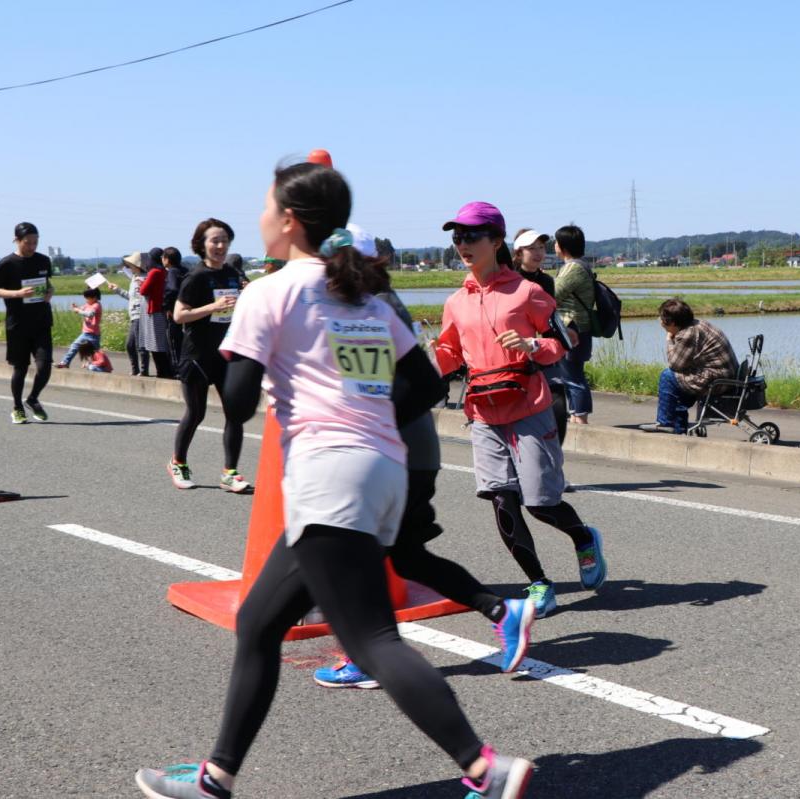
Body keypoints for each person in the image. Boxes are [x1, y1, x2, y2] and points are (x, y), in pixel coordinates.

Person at [134, 162, 533, 799]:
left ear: (289, 221)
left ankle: (488, 767)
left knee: (373, 638)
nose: (259, 218)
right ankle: (215, 779)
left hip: (330, 477)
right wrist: (362, 417)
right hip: (378, 472)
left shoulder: (270, 292)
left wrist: (251, 357)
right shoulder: (361, 294)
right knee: (259, 625)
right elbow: (426, 386)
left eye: (266, 207)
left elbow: (235, 405)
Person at [312, 223, 535, 690]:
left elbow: (387, 389)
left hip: (393, 453)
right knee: (404, 556)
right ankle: (501, 610)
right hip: (405, 449)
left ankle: (371, 656)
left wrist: (369, 429)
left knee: (357, 554)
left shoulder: (365, 310)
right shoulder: (376, 302)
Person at [435, 201, 607, 618]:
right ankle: (539, 584)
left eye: (471, 236)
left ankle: (583, 537)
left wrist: (533, 346)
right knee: (500, 498)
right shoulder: (456, 301)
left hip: (529, 407)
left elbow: (563, 343)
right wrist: (422, 362)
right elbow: (448, 354)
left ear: (496, 241)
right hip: (482, 411)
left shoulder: (527, 292)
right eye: (457, 237)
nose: (463, 244)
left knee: (541, 502)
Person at [168, 218, 251, 493]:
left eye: (225, 240)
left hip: (226, 353)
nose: (220, 245)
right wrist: (213, 306)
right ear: (201, 245)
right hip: (197, 356)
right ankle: (178, 462)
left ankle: (230, 472)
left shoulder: (231, 273)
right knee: (196, 413)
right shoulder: (196, 276)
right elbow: (179, 315)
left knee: (235, 414)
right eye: (214, 240)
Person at [637, 299, 737, 435]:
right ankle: (678, 430)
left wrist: (669, 340)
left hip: (716, 381)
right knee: (678, 387)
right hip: (724, 375)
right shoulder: (698, 324)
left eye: (661, 318)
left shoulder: (687, 334)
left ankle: (665, 423)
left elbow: (674, 364)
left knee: (667, 376)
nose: (659, 321)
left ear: (672, 323)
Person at [0, 221, 54, 423]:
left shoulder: (43, 261)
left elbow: (48, 284)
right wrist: (17, 293)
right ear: (17, 240)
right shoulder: (7, 263)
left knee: (45, 366)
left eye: (36, 242)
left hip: (42, 321)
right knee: (21, 367)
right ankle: (17, 406)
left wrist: (50, 292)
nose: (32, 246)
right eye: (28, 242)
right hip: (18, 323)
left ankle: (32, 398)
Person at [513, 228, 570, 447]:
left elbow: (548, 319)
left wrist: (562, 336)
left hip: (541, 349)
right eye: (531, 248)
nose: (538, 253)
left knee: (557, 403)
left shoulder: (546, 282)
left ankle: (555, 465)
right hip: (515, 354)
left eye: (541, 248)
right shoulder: (508, 278)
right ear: (518, 253)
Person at [552, 225, 595, 425]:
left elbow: (553, 294)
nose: (554, 246)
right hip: (578, 325)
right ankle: (576, 415)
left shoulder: (573, 267)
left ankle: (579, 417)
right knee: (571, 373)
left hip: (572, 326)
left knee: (572, 374)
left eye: (556, 242)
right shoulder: (581, 265)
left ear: (563, 246)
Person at [108, 253, 149, 375]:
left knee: (139, 344)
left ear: (136, 266)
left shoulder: (142, 278)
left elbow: (142, 298)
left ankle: (143, 371)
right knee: (130, 345)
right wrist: (117, 290)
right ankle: (136, 370)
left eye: (130, 265)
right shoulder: (134, 278)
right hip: (134, 315)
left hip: (139, 314)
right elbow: (132, 297)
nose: (128, 267)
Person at [137, 249, 174, 378]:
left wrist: (141, 284)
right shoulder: (164, 271)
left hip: (153, 310)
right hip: (161, 309)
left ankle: (162, 372)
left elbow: (143, 290)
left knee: (155, 344)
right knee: (161, 343)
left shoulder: (154, 272)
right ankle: (165, 371)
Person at [56, 288, 103, 368]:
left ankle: (99, 365)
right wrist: (76, 308)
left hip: (93, 334)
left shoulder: (96, 305)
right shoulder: (87, 304)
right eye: (85, 298)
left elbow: (89, 314)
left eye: (88, 298)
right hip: (85, 333)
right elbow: (81, 309)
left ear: (94, 297)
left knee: (95, 352)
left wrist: (78, 311)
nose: (86, 300)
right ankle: (65, 362)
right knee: (74, 346)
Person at [162, 246, 189, 366]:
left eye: (163, 257)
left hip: (175, 311)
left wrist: (167, 306)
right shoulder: (185, 270)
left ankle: (177, 369)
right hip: (188, 310)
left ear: (167, 259)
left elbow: (172, 289)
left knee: (174, 340)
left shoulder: (172, 271)